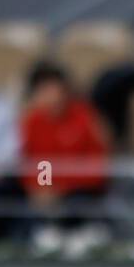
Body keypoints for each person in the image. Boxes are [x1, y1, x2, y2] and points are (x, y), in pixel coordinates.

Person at [19, 62, 109, 222]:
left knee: (77, 205)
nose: (52, 96)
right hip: (45, 194)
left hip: (80, 192)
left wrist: (61, 188)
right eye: (45, 91)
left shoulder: (85, 117)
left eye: (55, 90)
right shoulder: (33, 122)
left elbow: (96, 163)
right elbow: (36, 161)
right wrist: (43, 186)